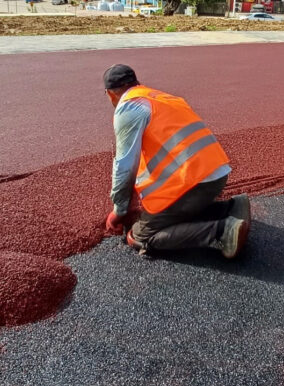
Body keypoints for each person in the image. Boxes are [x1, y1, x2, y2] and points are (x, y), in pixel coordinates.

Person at [103, 64, 251, 258]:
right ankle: (231, 208)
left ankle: (222, 231)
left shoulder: (128, 108)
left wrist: (119, 211)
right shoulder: (161, 97)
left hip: (194, 183)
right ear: (136, 82)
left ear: (109, 94)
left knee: (140, 236)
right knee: (173, 213)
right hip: (217, 173)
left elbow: (124, 166)